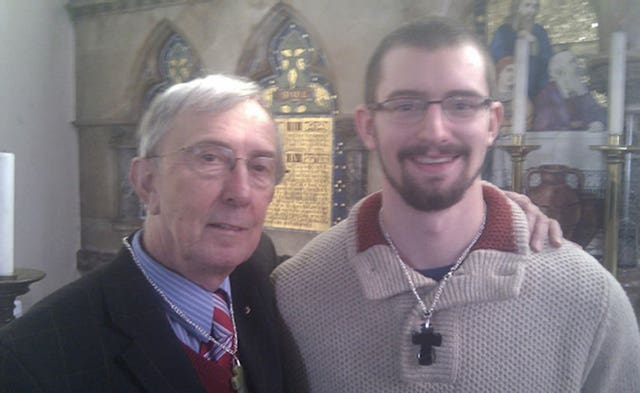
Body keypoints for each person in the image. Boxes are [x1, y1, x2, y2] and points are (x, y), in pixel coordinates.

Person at [272, 19, 640, 393]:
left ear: (493, 122)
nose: (434, 130)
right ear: (368, 127)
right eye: (406, 105)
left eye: (461, 104)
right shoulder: (294, 293)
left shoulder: (589, 299)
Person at [0, 75, 285, 393]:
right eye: (210, 158)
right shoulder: (31, 363)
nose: (241, 193)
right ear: (147, 182)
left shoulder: (260, 272)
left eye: (260, 167)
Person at [490, 0, 552, 99]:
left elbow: (546, 60)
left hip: (536, 90)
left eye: (535, 7)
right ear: (517, 7)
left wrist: (534, 45)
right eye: (527, 5)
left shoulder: (540, 32)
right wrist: (517, 41)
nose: (531, 11)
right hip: (508, 90)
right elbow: (497, 60)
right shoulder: (503, 31)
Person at [532, 49, 606, 131]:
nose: (577, 66)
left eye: (576, 61)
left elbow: (598, 114)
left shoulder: (581, 89)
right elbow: (542, 126)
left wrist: (598, 123)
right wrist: (571, 126)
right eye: (572, 62)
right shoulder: (546, 95)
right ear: (560, 71)